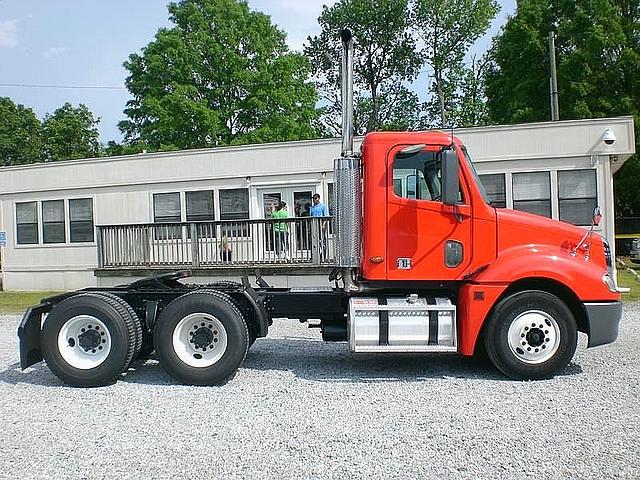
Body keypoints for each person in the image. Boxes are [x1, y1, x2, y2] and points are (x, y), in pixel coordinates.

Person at [309, 193, 329, 260]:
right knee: (314, 241)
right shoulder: (312, 208)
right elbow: (310, 217)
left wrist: (323, 225)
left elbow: (326, 216)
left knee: (322, 241)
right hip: (314, 226)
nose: (314, 200)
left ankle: (323, 255)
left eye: (315, 198)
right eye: (313, 198)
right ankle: (314, 255)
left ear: (318, 198)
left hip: (320, 224)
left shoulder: (323, 206)